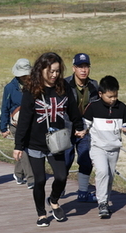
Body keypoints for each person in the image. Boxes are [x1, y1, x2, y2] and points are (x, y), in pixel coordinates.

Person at [13, 52, 85, 228]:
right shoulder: (32, 89)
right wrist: (18, 146)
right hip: (35, 143)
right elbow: (24, 120)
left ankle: (53, 200)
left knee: (61, 176)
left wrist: (78, 126)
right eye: (51, 71)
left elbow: (73, 109)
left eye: (57, 71)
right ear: (42, 69)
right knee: (39, 180)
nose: (54, 75)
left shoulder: (64, 87)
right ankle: (41, 214)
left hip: (56, 141)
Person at [83, 75, 126, 218]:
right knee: (102, 172)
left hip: (114, 148)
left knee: (110, 177)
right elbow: (84, 124)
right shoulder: (93, 107)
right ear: (100, 94)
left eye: (115, 96)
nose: (113, 99)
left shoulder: (122, 107)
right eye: (110, 96)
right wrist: (81, 130)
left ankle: (105, 199)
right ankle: (102, 204)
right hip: (98, 147)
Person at [65, 53, 99, 202]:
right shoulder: (64, 84)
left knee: (85, 160)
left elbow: (97, 108)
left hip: (86, 130)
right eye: (80, 67)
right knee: (65, 161)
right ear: (74, 68)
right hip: (67, 129)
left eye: (86, 66)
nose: (83, 70)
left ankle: (83, 192)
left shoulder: (94, 86)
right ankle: (60, 188)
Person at [0, 58, 34, 189]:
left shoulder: (33, 86)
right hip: (15, 125)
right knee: (24, 149)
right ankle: (31, 178)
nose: (25, 77)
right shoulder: (9, 88)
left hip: (30, 123)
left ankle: (18, 173)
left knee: (26, 149)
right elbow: (5, 108)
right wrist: (3, 127)